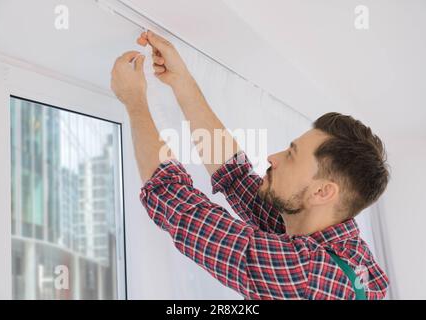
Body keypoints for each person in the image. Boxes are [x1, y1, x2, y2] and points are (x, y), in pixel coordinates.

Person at [110, 30, 390, 299]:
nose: (273, 157)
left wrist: (134, 100)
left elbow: (177, 204)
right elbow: (235, 177)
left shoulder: (303, 276)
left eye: (291, 155)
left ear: (322, 192)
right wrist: (181, 81)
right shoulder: (334, 248)